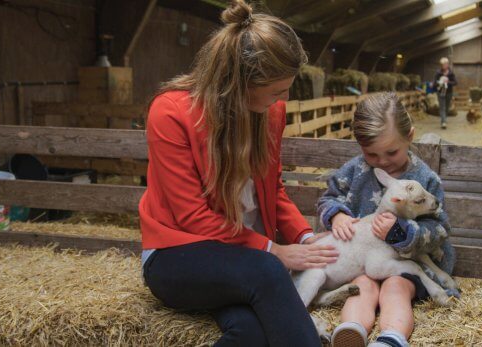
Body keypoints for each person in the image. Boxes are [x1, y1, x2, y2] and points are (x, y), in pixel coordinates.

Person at [138, 1, 338, 345]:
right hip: (177, 253)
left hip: (243, 262)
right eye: (277, 90)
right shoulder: (170, 112)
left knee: (252, 333)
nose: (284, 98)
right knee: (268, 271)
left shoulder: (270, 111)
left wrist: (306, 238)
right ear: (240, 81)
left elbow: (273, 189)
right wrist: (272, 249)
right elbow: (191, 216)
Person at [317, 93, 456, 347]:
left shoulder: (424, 180)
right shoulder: (354, 171)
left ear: (410, 137)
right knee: (362, 287)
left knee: (396, 288)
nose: (382, 161)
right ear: (360, 146)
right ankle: (352, 332)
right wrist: (336, 215)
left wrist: (401, 232)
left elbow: (440, 228)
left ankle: (390, 338)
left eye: (392, 151)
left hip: (407, 263)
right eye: (372, 154)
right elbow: (330, 198)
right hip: (364, 262)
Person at [432, 57, 457, 129]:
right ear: (441, 65)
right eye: (443, 64)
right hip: (440, 92)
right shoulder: (438, 73)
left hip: (449, 92)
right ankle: (443, 122)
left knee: (447, 107)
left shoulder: (451, 73)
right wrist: (439, 82)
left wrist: (448, 82)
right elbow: (434, 82)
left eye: (445, 64)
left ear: (448, 64)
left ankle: (444, 118)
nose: (444, 65)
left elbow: (455, 82)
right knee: (442, 107)